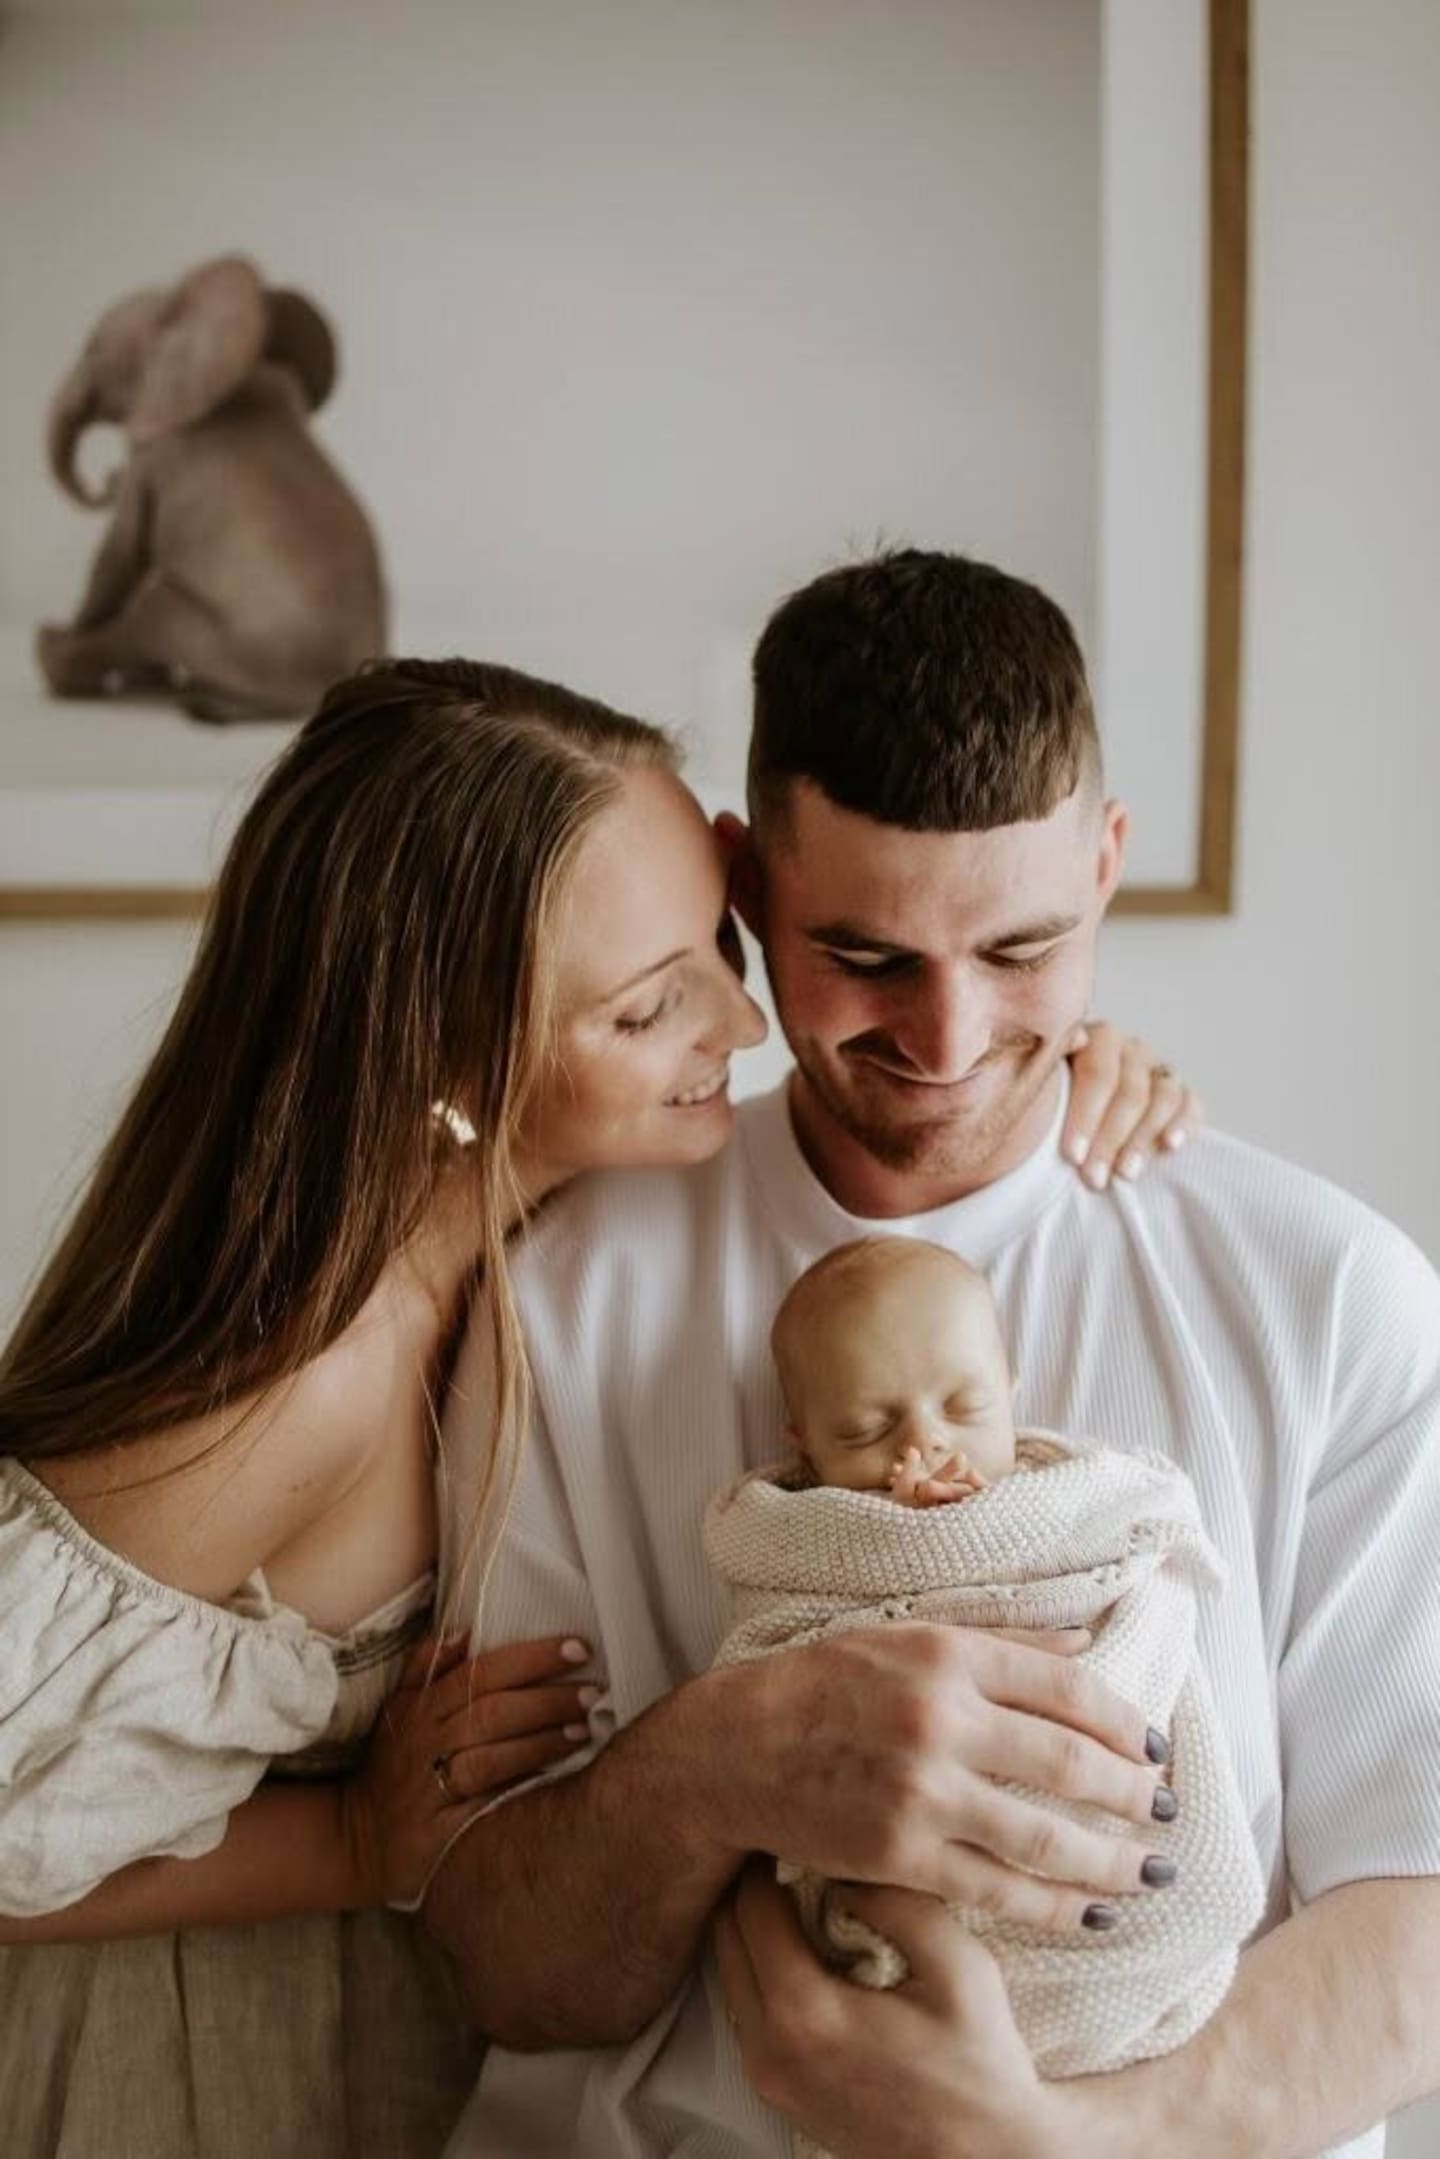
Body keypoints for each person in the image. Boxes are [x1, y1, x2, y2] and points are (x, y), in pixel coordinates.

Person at [0, 651, 1186, 2159]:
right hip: (187, 2076)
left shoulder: (514, 1222)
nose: (740, 1028)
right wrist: (353, 1838)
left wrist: (1047, 1060)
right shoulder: (296, 1380)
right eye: (646, 1011)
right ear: (452, 1064)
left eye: (715, 945)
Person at [426, 550, 1440, 2159]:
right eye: (872, 957)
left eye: (1022, 950)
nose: (950, 1040)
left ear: (1108, 865)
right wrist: (720, 1767)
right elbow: (496, 1955)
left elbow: (1420, 1906)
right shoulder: (558, 1293)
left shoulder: (1332, 1294)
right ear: (747, 891)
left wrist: (1038, 2137)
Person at [703, 1233, 1262, 2130]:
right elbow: (766, 1670)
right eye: (865, 1429)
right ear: (803, 1443)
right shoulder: (799, 1541)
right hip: (910, 1891)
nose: (923, 1443)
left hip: (1097, 1811)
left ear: (1008, 1386)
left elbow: (1148, 1577)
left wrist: (1107, 1668)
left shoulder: (1074, 1501)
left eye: (963, 1405)